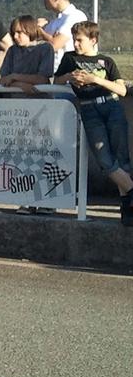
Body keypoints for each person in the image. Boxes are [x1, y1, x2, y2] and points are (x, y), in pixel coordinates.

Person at [54, 21, 132, 226]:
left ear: (93, 40)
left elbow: (122, 90)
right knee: (104, 159)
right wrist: (70, 76)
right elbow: (56, 81)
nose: (76, 44)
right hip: (89, 109)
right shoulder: (70, 58)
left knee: (121, 157)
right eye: (74, 40)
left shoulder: (106, 61)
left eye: (80, 40)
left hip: (111, 106)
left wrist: (95, 80)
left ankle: (127, 208)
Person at [37, 0, 86, 73]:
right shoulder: (55, 21)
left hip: (68, 74)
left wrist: (39, 29)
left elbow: (54, 45)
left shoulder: (75, 16)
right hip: (51, 73)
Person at [0, 16, 55, 93]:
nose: (15, 36)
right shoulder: (12, 50)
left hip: (39, 98)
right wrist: (19, 85)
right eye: (13, 33)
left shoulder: (45, 48)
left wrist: (14, 77)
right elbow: (4, 79)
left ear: (30, 30)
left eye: (19, 32)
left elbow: (42, 79)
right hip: (14, 99)